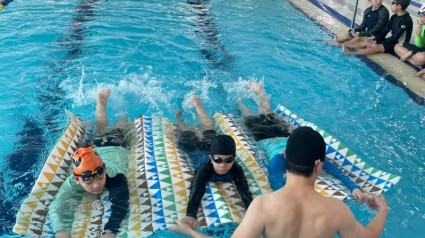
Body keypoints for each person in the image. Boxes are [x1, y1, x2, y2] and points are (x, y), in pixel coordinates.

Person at [170, 126, 390, 238]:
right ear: (319, 166)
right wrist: (383, 210)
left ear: (284, 156)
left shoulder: (263, 206)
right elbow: (368, 237)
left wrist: (190, 232)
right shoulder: (337, 211)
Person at [238, 83, 364, 201]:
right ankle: (240, 99)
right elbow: (276, 182)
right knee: (250, 114)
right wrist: (353, 187)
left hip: (279, 136)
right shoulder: (279, 160)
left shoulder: (306, 159)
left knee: (263, 113)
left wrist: (354, 187)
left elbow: (277, 183)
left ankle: (254, 94)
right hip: (265, 137)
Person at [49, 89, 130, 238]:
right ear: (77, 180)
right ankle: (104, 104)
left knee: (120, 126)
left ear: (104, 170)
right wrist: (61, 230)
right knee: (103, 129)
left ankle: (119, 108)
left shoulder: (116, 177)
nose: (97, 185)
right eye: (89, 182)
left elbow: (121, 205)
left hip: (111, 143)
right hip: (95, 147)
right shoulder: (73, 181)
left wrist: (109, 231)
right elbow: (57, 205)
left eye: (100, 177)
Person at [175, 96, 252, 230]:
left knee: (207, 128)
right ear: (211, 158)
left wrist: (252, 213)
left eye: (229, 160)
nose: (223, 165)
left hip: (214, 148)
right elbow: (196, 189)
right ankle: (182, 116)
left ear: (234, 158)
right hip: (196, 149)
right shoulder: (204, 169)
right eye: (218, 160)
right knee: (190, 130)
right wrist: (191, 215)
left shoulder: (236, 169)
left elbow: (244, 191)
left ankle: (197, 105)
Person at [342, 0, 412, 56]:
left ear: (399, 6)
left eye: (393, 3)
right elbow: (385, 30)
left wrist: (379, 42)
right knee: (369, 41)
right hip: (393, 40)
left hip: (400, 44)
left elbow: (395, 38)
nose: (391, 5)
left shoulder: (405, 20)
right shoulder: (394, 16)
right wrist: (376, 40)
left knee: (375, 47)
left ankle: (352, 53)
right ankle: (344, 45)